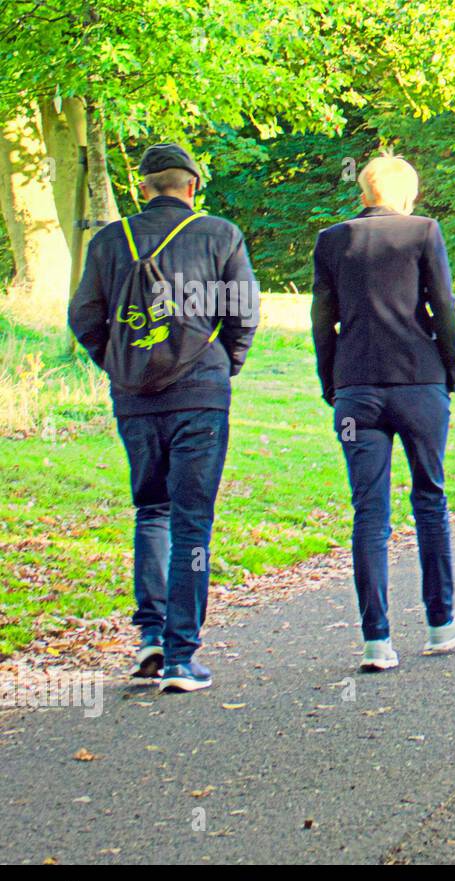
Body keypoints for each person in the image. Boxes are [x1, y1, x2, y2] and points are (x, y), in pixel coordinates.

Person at [68, 143, 260, 693]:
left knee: (150, 510)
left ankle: (149, 636)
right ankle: (181, 656)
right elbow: (242, 311)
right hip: (200, 392)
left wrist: (119, 363)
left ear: (143, 187)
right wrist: (226, 365)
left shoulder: (109, 240)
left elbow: (83, 315)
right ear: (193, 187)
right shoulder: (219, 234)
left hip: (136, 398)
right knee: (192, 519)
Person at [311, 155, 455, 672]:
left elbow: (322, 317)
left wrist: (330, 382)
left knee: (369, 511)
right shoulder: (424, 232)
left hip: (356, 386)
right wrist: (451, 368)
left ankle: (376, 640)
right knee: (429, 497)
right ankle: (439, 621)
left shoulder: (331, 240)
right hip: (419, 380)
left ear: (364, 195)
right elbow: (443, 305)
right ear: (408, 196)